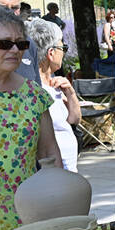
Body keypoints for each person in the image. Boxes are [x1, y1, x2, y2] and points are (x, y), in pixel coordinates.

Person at [0, 5, 62, 230]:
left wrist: (60, 208)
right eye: (4, 44)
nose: (15, 50)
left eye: (21, 44)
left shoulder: (32, 95)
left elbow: (50, 154)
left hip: (25, 218)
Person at [29, 18, 80, 172]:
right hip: (54, 173)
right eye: (62, 47)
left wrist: (70, 93)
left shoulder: (57, 84)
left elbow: (74, 120)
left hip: (68, 170)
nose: (64, 52)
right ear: (51, 53)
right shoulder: (35, 89)